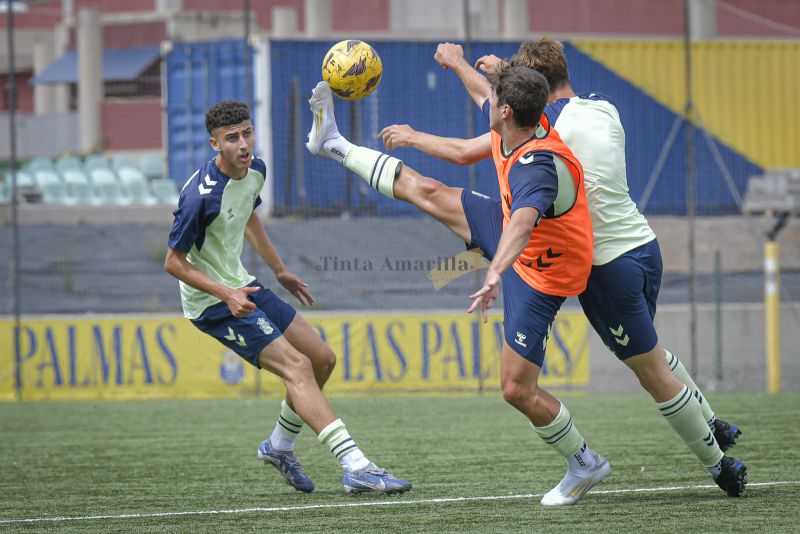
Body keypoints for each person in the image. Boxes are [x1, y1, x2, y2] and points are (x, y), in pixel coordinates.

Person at [378, 39, 747, 497]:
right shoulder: (603, 108)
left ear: (530, 95)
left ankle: (720, 466)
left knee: (649, 368)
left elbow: (486, 127)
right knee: (648, 350)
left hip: (608, 267)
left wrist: (457, 69)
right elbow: (506, 104)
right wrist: (495, 73)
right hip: (645, 246)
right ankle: (710, 419)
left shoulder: (547, 130)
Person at [307, 66, 614, 506]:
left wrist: (493, 274)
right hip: (510, 232)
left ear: (505, 111)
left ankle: (585, 462)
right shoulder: (520, 123)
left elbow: (524, 226)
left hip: (541, 273)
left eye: (493, 99)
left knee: (516, 389)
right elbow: (478, 115)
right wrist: (460, 65)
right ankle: (333, 143)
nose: (485, 102)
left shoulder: (537, 166)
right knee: (428, 190)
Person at [164, 99, 411, 496]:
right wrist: (226, 293)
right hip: (212, 303)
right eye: (232, 138)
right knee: (297, 366)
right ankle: (357, 466)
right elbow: (174, 263)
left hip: (242, 284)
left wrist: (279, 270)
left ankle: (279, 447)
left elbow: (248, 215)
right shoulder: (198, 197)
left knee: (321, 360)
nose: (243, 144)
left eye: (247, 133)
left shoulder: (255, 170)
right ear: (215, 145)